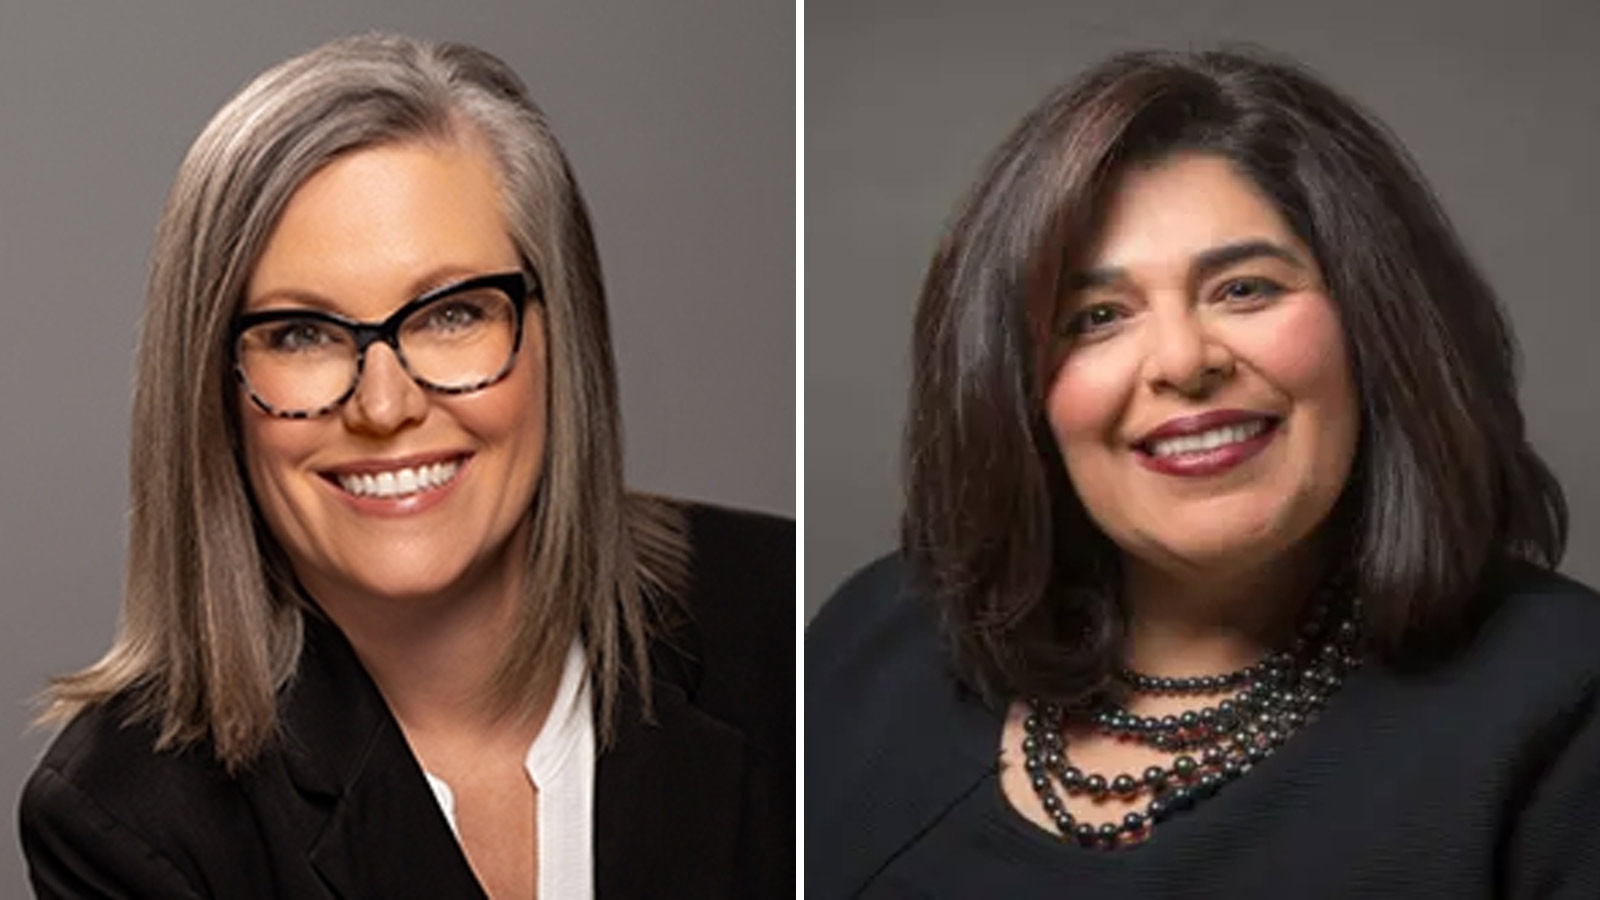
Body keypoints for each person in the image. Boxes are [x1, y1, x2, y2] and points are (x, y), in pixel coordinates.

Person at [807, 47, 1600, 898]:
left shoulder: (1564, 703)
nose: (1183, 361)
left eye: (1245, 290)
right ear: (1013, 387)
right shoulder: (870, 644)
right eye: (1098, 316)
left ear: (1378, 326)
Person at [20, 33, 792, 900]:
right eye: (301, 335)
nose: (384, 408)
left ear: (559, 334)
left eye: (452, 315)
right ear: (212, 387)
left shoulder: (789, 624)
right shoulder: (124, 821)